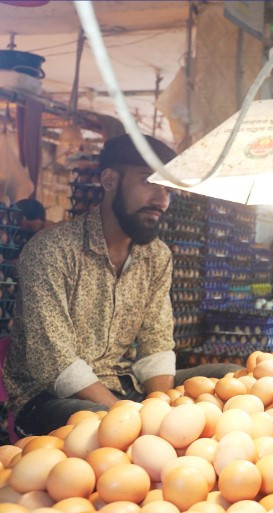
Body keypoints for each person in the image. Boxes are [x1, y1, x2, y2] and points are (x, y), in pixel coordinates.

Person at [4, 134, 240, 436]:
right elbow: (55, 363)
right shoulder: (51, 250)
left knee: (231, 377)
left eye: (168, 189)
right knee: (106, 423)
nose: (162, 200)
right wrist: (131, 416)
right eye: (149, 181)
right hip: (47, 399)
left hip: (121, 381)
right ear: (109, 180)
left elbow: (156, 341)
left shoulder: (156, 256)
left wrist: (161, 405)